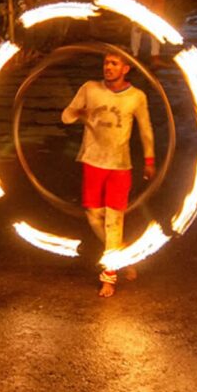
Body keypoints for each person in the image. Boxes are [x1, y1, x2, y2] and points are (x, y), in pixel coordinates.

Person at [61, 53, 156, 298]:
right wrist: (82, 114)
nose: (108, 67)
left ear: (125, 68)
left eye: (114, 63)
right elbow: (66, 116)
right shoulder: (90, 89)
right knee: (94, 218)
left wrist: (149, 160)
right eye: (106, 63)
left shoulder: (136, 97)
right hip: (92, 161)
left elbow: (145, 129)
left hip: (120, 166)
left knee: (114, 222)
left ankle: (109, 277)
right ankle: (122, 254)